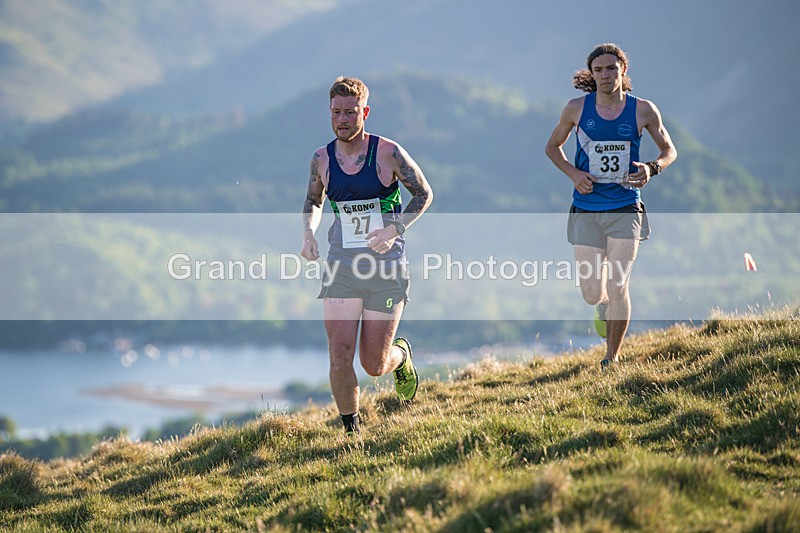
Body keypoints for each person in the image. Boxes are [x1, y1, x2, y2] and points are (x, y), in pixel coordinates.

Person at [301, 76, 433, 434]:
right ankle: (351, 432)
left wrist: (394, 229)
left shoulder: (387, 152)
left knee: (374, 364)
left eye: (350, 112)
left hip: (387, 267)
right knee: (340, 354)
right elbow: (313, 200)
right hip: (343, 264)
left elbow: (423, 194)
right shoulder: (321, 159)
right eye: (336, 112)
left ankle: (401, 356)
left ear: (365, 113)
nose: (342, 119)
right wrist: (308, 234)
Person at [544, 43, 677, 369]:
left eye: (611, 68)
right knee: (593, 293)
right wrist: (574, 174)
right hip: (587, 208)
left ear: (623, 71)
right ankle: (601, 305)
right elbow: (552, 147)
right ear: (592, 74)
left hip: (625, 207)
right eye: (599, 69)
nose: (605, 74)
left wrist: (650, 168)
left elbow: (669, 150)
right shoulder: (575, 109)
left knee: (619, 283)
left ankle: (611, 357)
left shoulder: (643, 110)